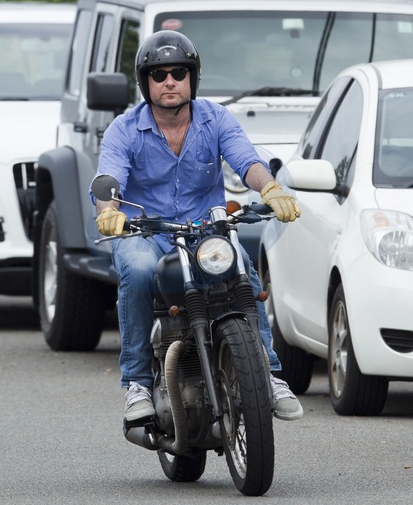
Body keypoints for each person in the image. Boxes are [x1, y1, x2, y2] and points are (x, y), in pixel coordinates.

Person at [92, 30, 303, 423]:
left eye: (178, 72)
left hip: (205, 232)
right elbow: (109, 178)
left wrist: (271, 188)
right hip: (144, 233)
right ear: (145, 83)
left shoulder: (216, 118)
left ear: (193, 77)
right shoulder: (124, 128)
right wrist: (108, 210)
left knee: (241, 266)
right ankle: (137, 382)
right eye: (158, 75)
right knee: (138, 271)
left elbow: (246, 160)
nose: (169, 81)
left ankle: (267, 373)